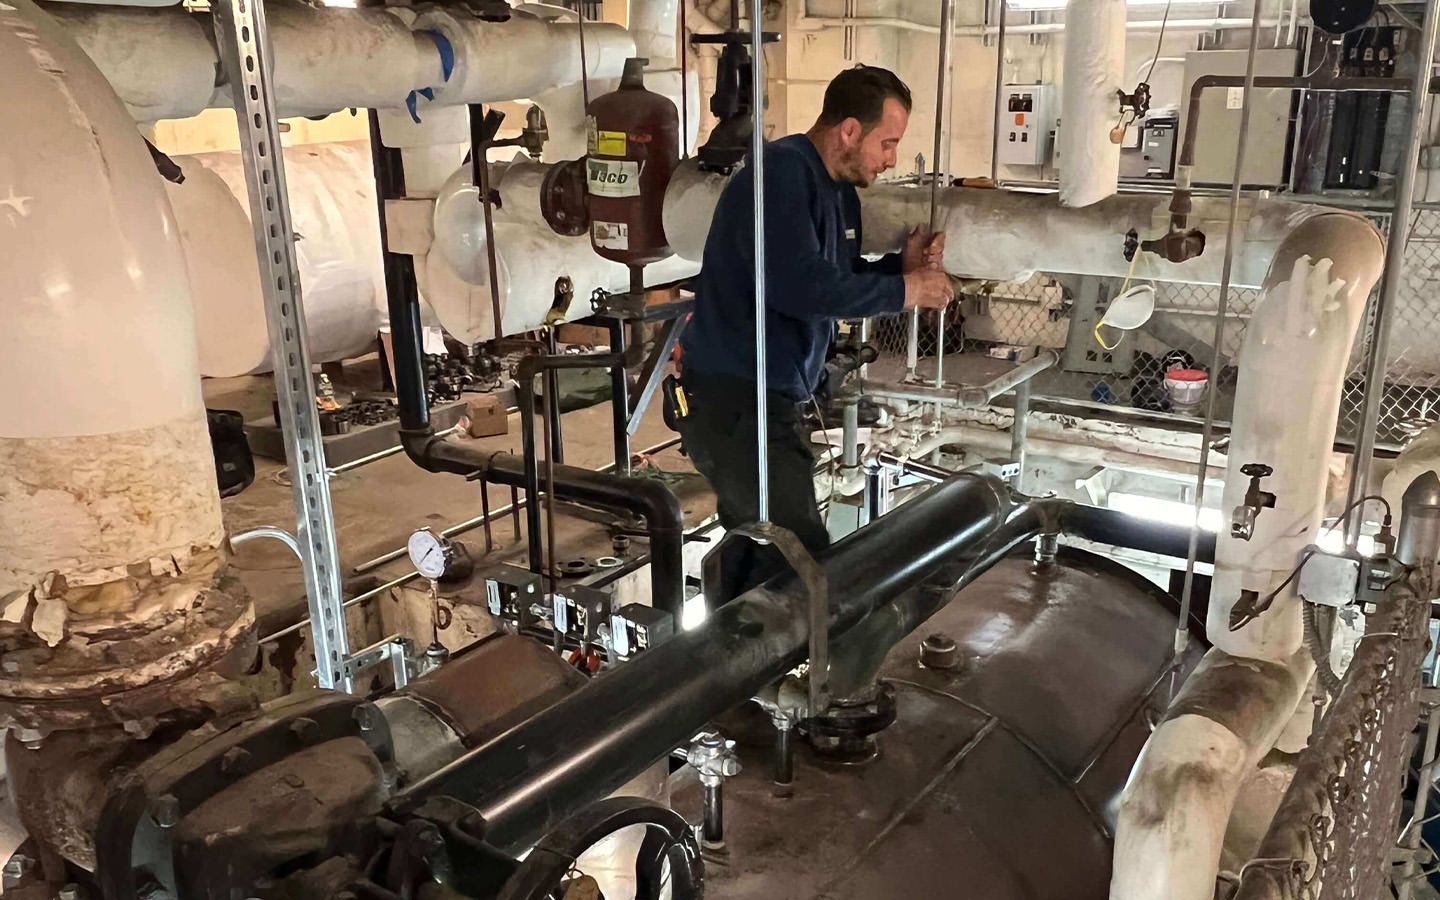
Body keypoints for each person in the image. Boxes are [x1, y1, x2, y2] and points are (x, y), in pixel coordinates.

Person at [676, 64, 954, 600]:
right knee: (794, 555)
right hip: (736, 400)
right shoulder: (780, 173)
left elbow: (835, 280)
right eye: (887, 143)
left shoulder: (838, 192)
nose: (892, 159)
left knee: (760, 546)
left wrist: (899, 269)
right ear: (849, 131)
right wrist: (907, 292)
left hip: (769, 398)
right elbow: (799, 289)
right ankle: (783, 666)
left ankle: (736, 663)